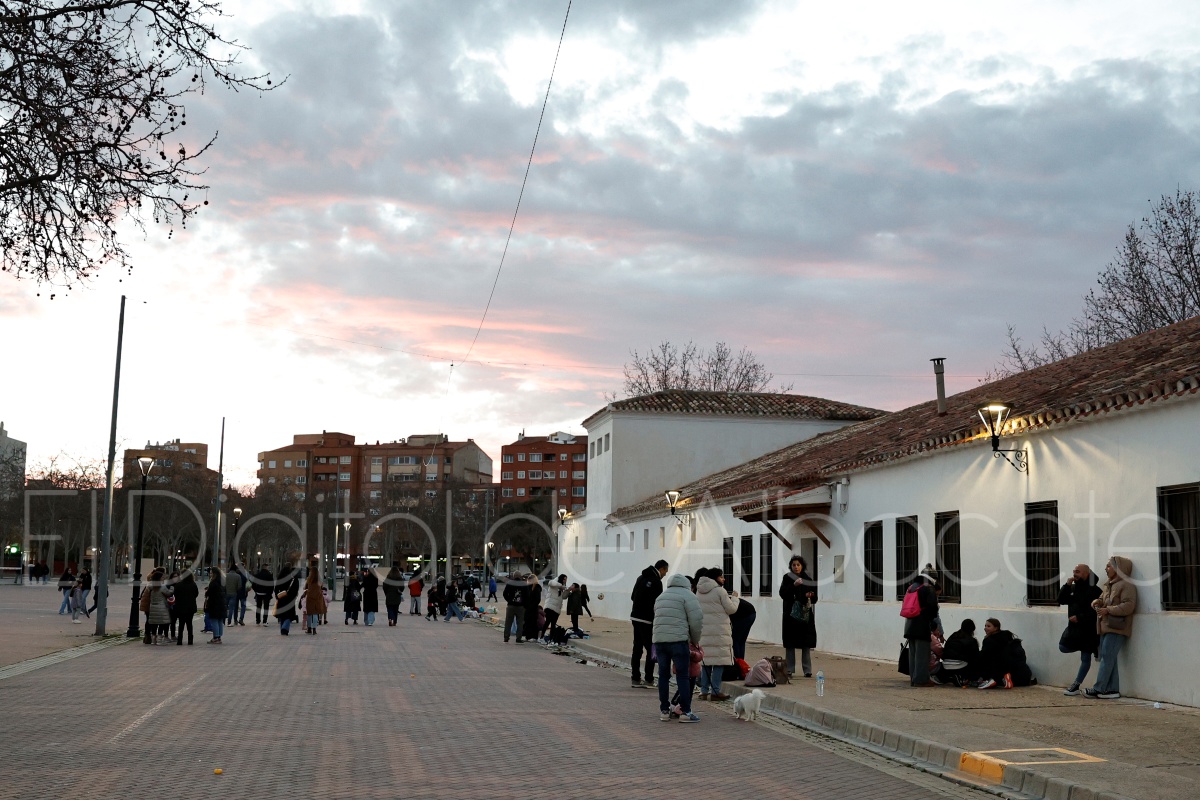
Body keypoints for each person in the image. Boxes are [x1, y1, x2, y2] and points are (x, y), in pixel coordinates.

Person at [653, 573, 704, 723]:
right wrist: (695, 640)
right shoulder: (688, 596)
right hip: (678, 641)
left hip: (660, 641)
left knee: (663, 675)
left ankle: (664, 710)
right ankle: (685, 712)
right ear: (688, 584)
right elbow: (696, 620)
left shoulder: (661, 596)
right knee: (683, 676)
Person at [1086, 556, 1137, 700]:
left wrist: (1108, 610)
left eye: (1109, 566)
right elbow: (1103, 598)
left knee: (1107, 658)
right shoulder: (1109, 585)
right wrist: (1097, 601)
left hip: (1117, 627)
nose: (1106, 569)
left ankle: (1099, 688)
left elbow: (1129, 605)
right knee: (1108, 658)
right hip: (1105, 626)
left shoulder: (1127, 585)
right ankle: (1112, 689)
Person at [1058, 563, 1102, 696]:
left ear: (1086, 573)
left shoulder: (1095, 590)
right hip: (1073, 629)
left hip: (1088, 630)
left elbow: (1096, 612)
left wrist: (1080, 618)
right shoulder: (1072, 588)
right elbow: (1061, 600)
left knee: (1085, 658)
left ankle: (1076, 685)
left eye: (1078, 571)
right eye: (1074, 571)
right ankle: (1089, 649)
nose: (1074, 574)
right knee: (1062, 647)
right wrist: (1066, 586)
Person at [696, 567, 739, 701]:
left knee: (707, 662)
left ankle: (704, 691)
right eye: (721, 576)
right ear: (715, 578)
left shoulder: (699, 591)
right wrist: (735, 598)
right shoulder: (720, 591)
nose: (723, 579)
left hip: (705, 631)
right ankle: (715, 691)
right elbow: (731, 609)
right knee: (719, 662)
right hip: (719, 632)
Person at [630, 560, 668, 689]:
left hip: (635, 617)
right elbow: (657, 603)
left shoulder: (640, 578)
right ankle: (649, 678)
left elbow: (632, 596)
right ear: (661, 569)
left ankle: (635, 678)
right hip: (647, 619)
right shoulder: (657, 582)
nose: (665, 574)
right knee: (652, 649)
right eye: (665, 571)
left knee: (637, 648)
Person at [779, 555, 818, 678]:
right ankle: (789, 669)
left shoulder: (808, 579)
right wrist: (793, 586)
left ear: (802, 566)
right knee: (790, 643)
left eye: (798, 565)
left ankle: (807, 669)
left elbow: (815, 598)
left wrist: (810, 595)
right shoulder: (787, 578)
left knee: (806, 642)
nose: (796, 567)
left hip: (804, 615)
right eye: (794, 565)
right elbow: (783, 594)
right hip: (790, 615)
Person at [903, 566, 939, 686]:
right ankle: (921, 680)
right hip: (922, 625)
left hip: (909, 624)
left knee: (913, 654)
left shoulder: (912, 587)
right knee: (922, 655)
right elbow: (933, 608)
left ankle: (914, 678)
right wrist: (934, 625)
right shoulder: (928, 588)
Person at [935, 619, 979, 685]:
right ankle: (967, 678)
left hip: (945, 665)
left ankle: (950, 677)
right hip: (960, 666)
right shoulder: (972, 640)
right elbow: (975, 656)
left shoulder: (953, 636)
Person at [173, 571, 199, 645]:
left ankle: (179, 640)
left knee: (181, 623)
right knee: (189, 623)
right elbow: (196, 594)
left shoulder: (178, 585)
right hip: (190, 606)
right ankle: (190, 640)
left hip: (180, 606)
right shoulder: (193, 584)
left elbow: (175, 594)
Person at [274, 564, 300, 636]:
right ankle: (285, 628)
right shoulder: (293, 578)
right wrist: (294, 596)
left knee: (282, 615)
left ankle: (282, 628)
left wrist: (277, 596)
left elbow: (276, 588)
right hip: (290, 599)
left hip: (281, 598)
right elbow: (296, 588)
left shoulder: (280, 578)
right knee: (289, 615)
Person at [542, 574, 568, 642]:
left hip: (556, 608)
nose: (565, 581)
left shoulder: (562, 587)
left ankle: (551, 639)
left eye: (566, 579)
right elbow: (550, 582)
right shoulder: (554, 583)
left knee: (553, 624)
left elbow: (564, 597)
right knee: (547, 622)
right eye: (564, 579)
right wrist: (560, 586)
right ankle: (541, 637)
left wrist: (567, 591)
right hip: (550, 606)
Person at [502, 574, 528, 643]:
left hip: (511, 606)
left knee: (508, 622)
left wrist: (509, 600)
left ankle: (506, 637)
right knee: (520, 623)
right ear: (520, 576)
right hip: (520, 606)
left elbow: (504, 593)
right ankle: (518, 638)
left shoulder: (510, 583)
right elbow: (527, 595)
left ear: (514, 576)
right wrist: (524, 604)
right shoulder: (524, 584)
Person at [303, 562, 327, 635]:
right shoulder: (319, 580)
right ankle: (314, 629)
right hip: (318, 597)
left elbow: (305, 587)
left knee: (309, 613)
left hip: (310, 597)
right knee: (316, 613)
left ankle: (309, 628)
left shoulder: (309, 579)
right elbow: (321, 587)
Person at [204, 567, 227, 644]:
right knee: (220, 620)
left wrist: (207, 592)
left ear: (215, 574)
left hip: (214, 604)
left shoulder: (213, 583)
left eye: (211, 573)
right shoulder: (222, 582)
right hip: (222, 603)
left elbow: (209, 593)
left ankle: (216, 637)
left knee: (214, 620)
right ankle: (219, 636)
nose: (210, 574)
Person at [523, 572, 543, 644]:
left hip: (533, 608)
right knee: (527, 622)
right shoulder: (528, 587)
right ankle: (528, 636)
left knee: (533, 622)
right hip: (528, 608)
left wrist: (531, 605)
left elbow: (537, 599)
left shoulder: (537, 587)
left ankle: (533, 636)